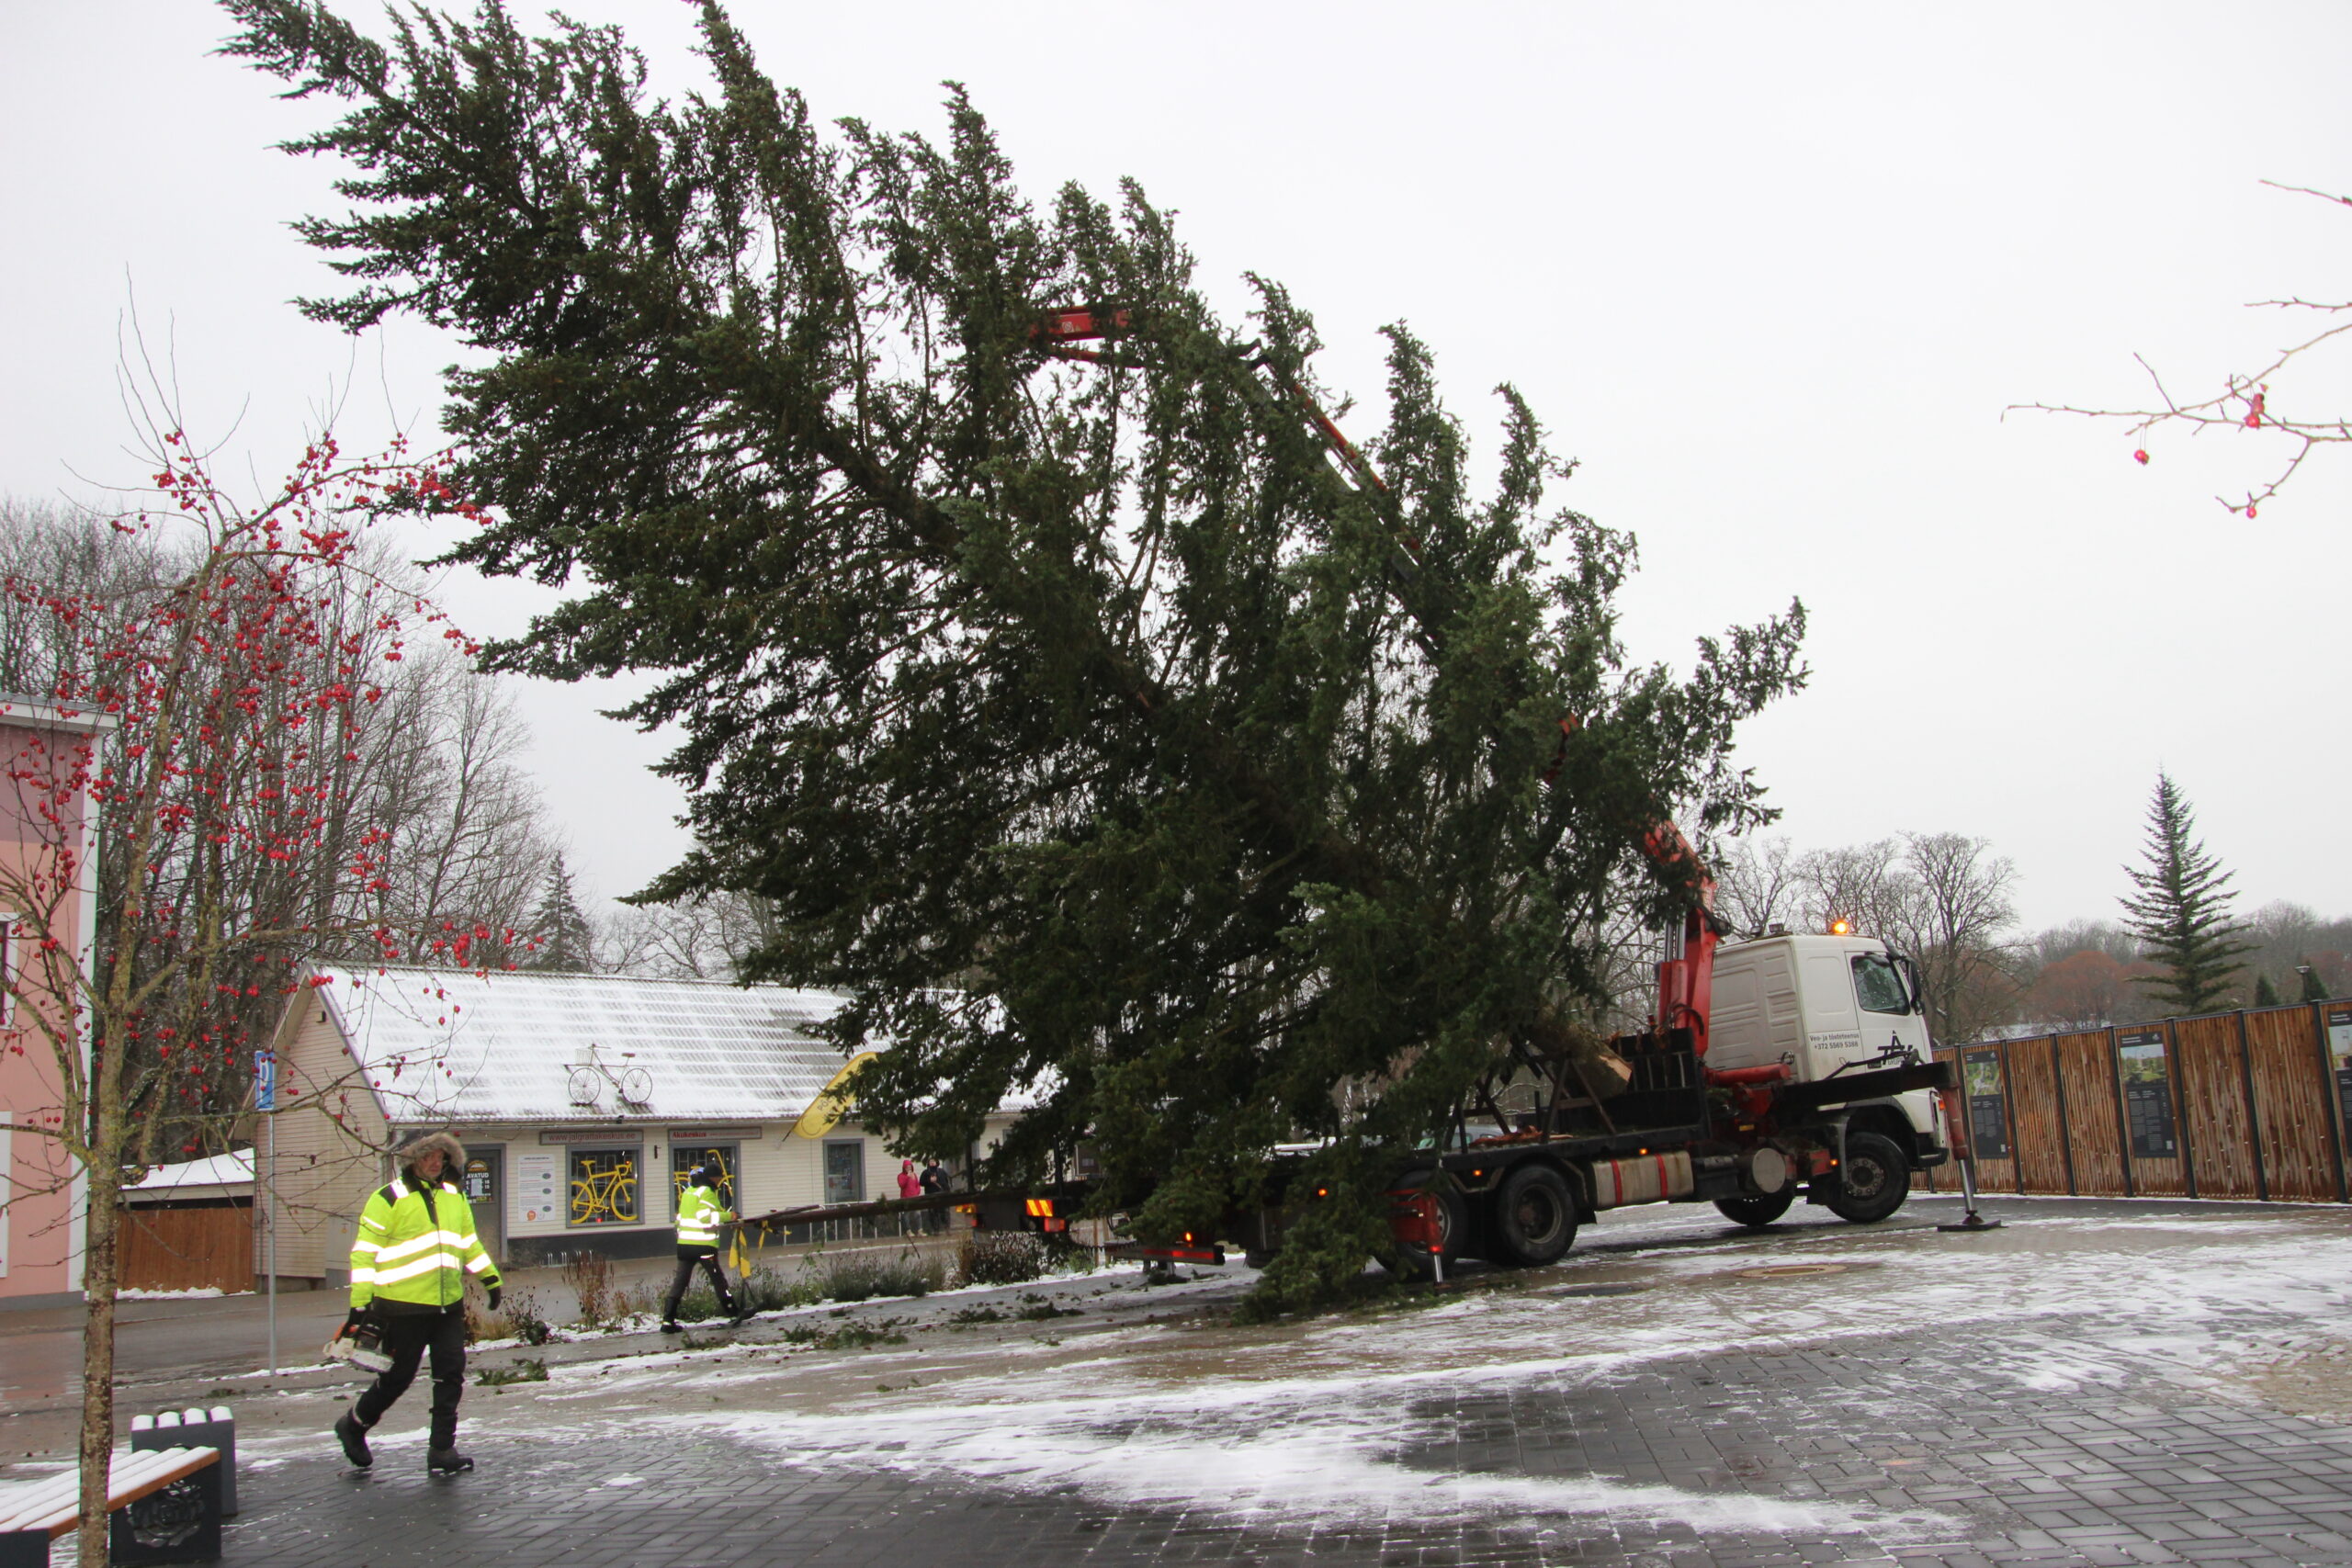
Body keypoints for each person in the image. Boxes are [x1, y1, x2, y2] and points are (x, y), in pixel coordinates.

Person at [333, 1131, 501, 1476]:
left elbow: (469, 1242)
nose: (435, 1163)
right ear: (412, 1161)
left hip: (447, 1306)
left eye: (440, 1157)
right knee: (397, 1377)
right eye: (427, 1157)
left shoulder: (454, 1196)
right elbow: (364, 1254)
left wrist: (490, 1278)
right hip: (401, 1307)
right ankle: (354, 1425)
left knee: (450, 1374)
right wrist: (360, 1305)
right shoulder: (388, 1198)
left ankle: (442, 1448)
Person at [662, 1165, 751, 1332]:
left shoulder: (689, 1192)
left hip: (684, 1245)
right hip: (703, 1246)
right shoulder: (707, 1192)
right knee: (718, 1279)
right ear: (713, 1178)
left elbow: (679, 1219)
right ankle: (733, 1312)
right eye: (719, 1177)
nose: (720, 1180)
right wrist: (729, 1216)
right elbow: (706, 1217)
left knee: (680, 1281)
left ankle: (668, 1320)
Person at [919, 1157, 948, 1232]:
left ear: (937, 1162)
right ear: (928, 1163)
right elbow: (921, 1182)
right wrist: (929, 1180)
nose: (932, 1163)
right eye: (930, 1161)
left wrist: (947, 1191)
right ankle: (935, 1229)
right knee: (932, 1213)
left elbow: (946, 1182)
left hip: (941, 1194)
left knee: (943, 1212)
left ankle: (946, 1227)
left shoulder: (941, 1171)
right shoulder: (925, 1172)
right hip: (930, 1195)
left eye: (933, 1161)